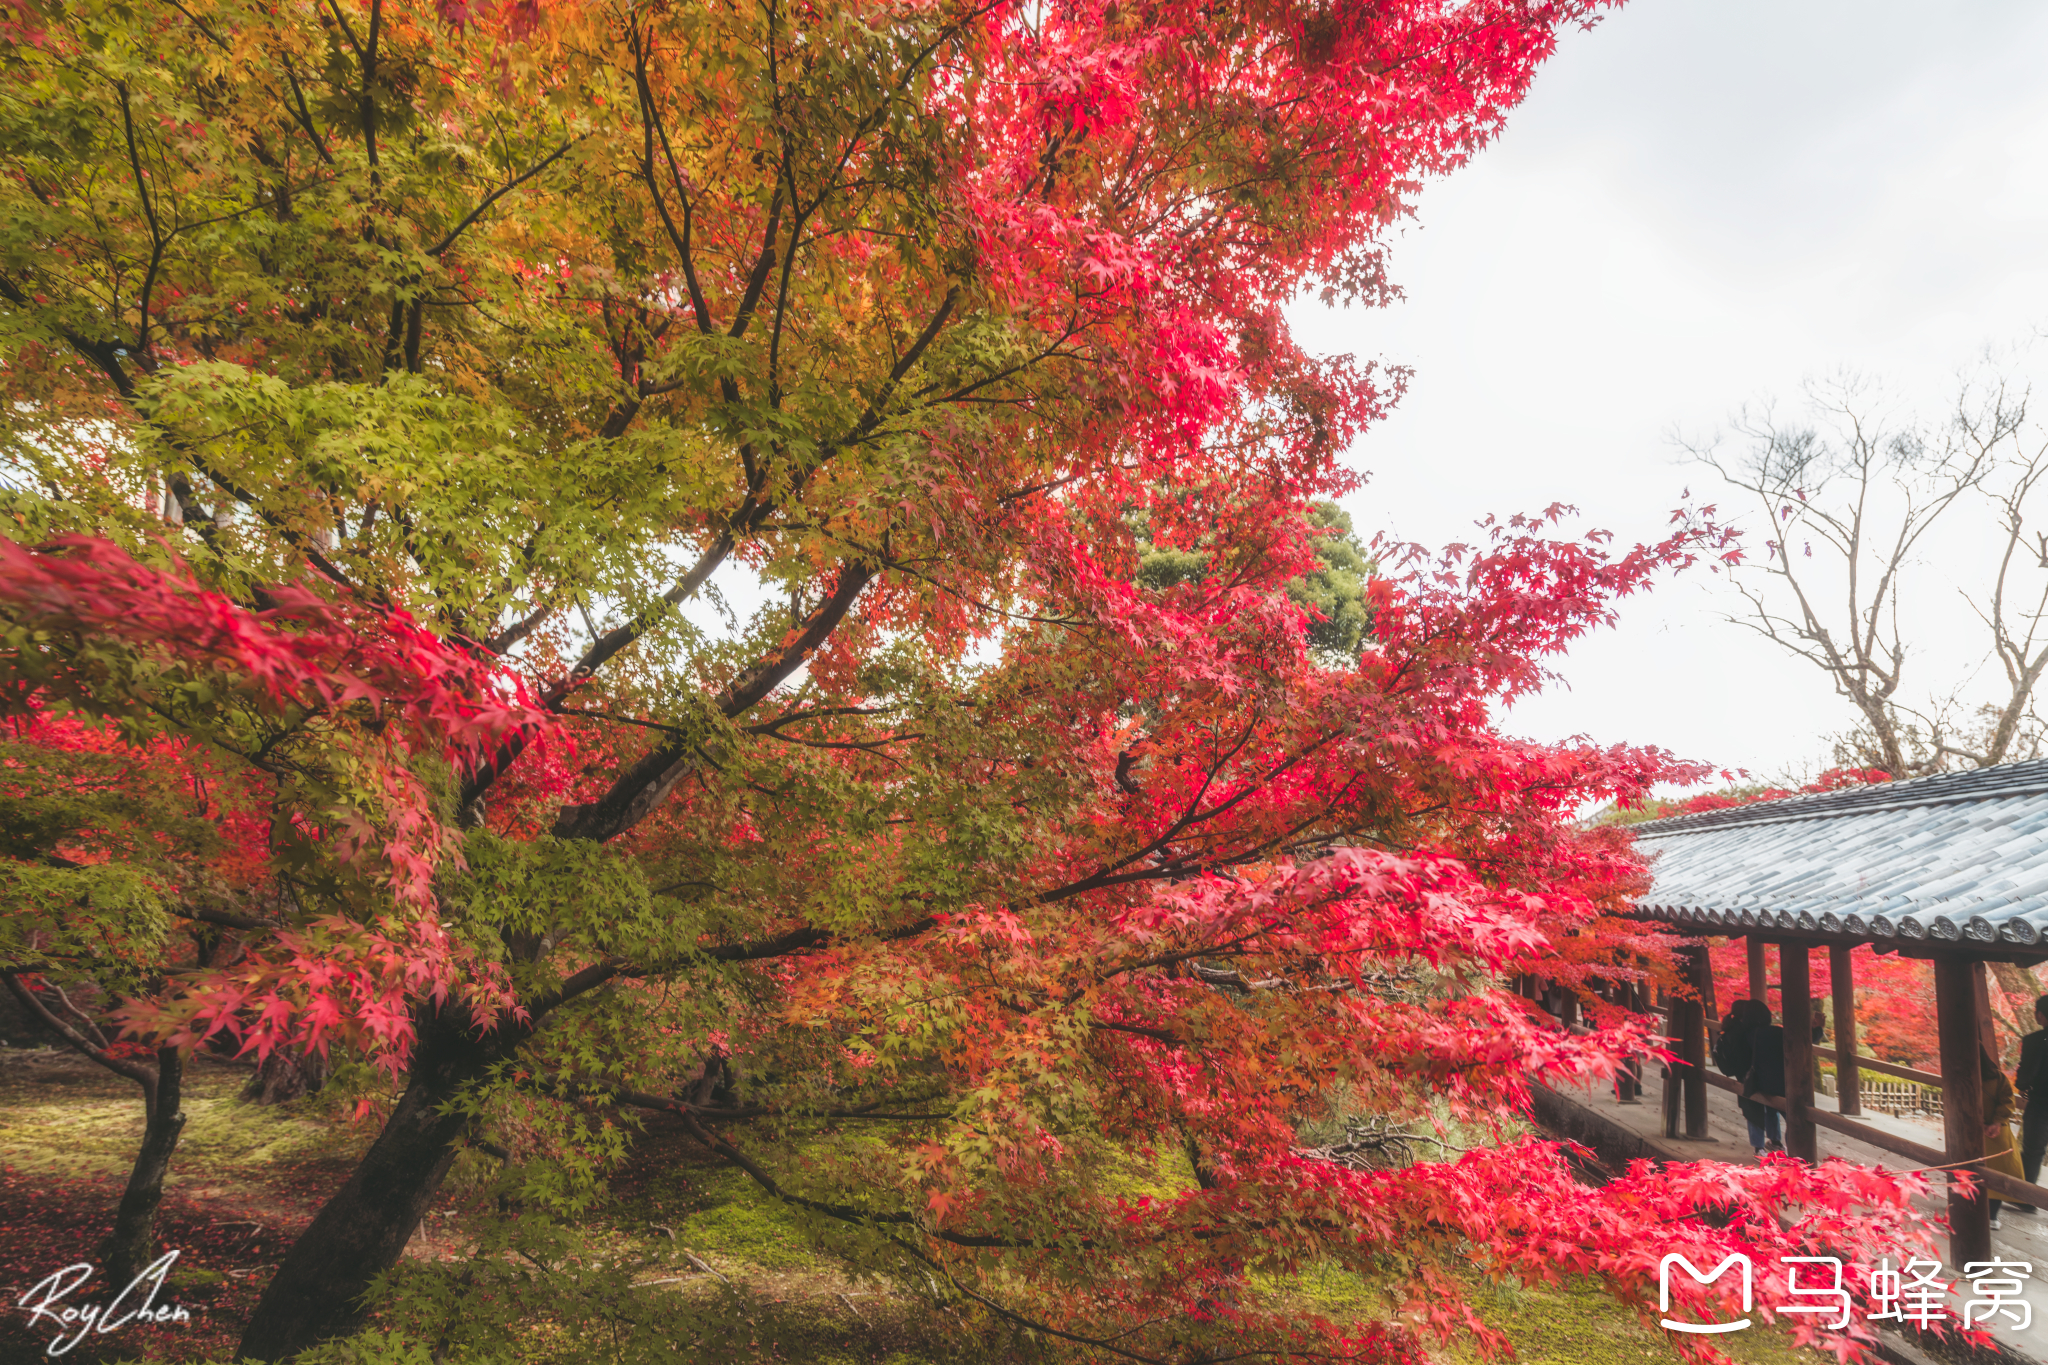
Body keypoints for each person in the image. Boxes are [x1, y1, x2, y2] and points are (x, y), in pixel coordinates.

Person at [1722, 1000, 1785, 1156]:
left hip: (1747, 1077)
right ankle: (1774, 1141)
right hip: (1767, 1078)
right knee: (1771, 1108)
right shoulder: (1767, 1032)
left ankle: (1759, 1146)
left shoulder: (1736, 1030)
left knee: (1753, 1111)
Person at [1982, 1047, 2027, 1230]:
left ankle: (1992, 1216)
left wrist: (1997, 1121)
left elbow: (2007, 1100)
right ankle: (1984, 1214)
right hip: (1984, 1131)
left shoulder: (1997, 1078)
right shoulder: (1995, 1077)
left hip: (1994, 1132)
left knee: (1997, 1177)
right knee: (1984, 1176)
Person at [2015, 994, 2048, 1187]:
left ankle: (2026, 1198)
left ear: (2041, 1016)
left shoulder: (2036, 1040)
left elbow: (2028, 1072)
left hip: (2041, 1104)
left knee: (2033, 1151)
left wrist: (2023, 1086)